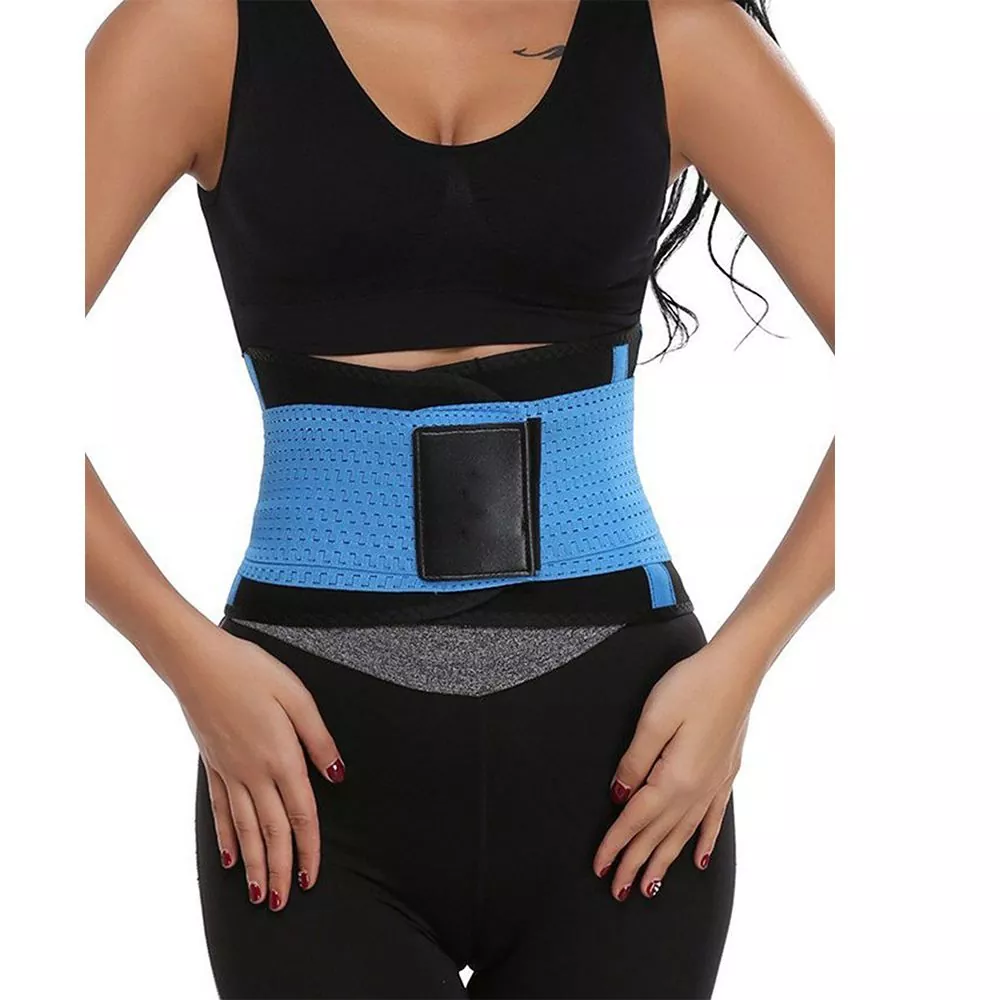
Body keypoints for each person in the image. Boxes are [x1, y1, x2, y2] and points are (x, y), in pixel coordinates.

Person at [84, 1, 834, 997]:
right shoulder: (197, 29)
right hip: (300, 768)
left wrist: (741, 668)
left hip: (628, 766)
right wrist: (187, 660)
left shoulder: (677, 33)